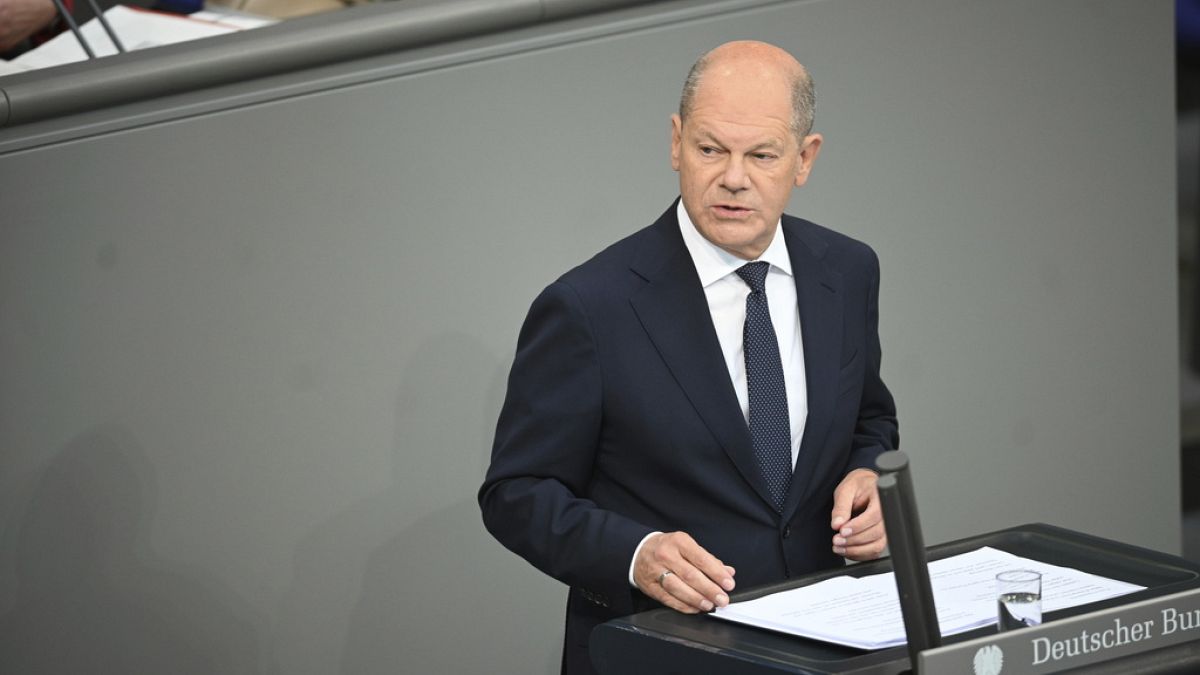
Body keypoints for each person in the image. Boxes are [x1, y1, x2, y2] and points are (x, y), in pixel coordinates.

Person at [478, 40, 899, 675]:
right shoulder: (590, 305)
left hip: (821, 645)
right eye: (710, 149)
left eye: (761, 155)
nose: (734, 177)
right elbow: (516, 492)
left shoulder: (847, 270)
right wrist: (635, 552)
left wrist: (870, 481)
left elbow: (868, 418)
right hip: (661, 650)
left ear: (804, 158)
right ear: (675, 143)